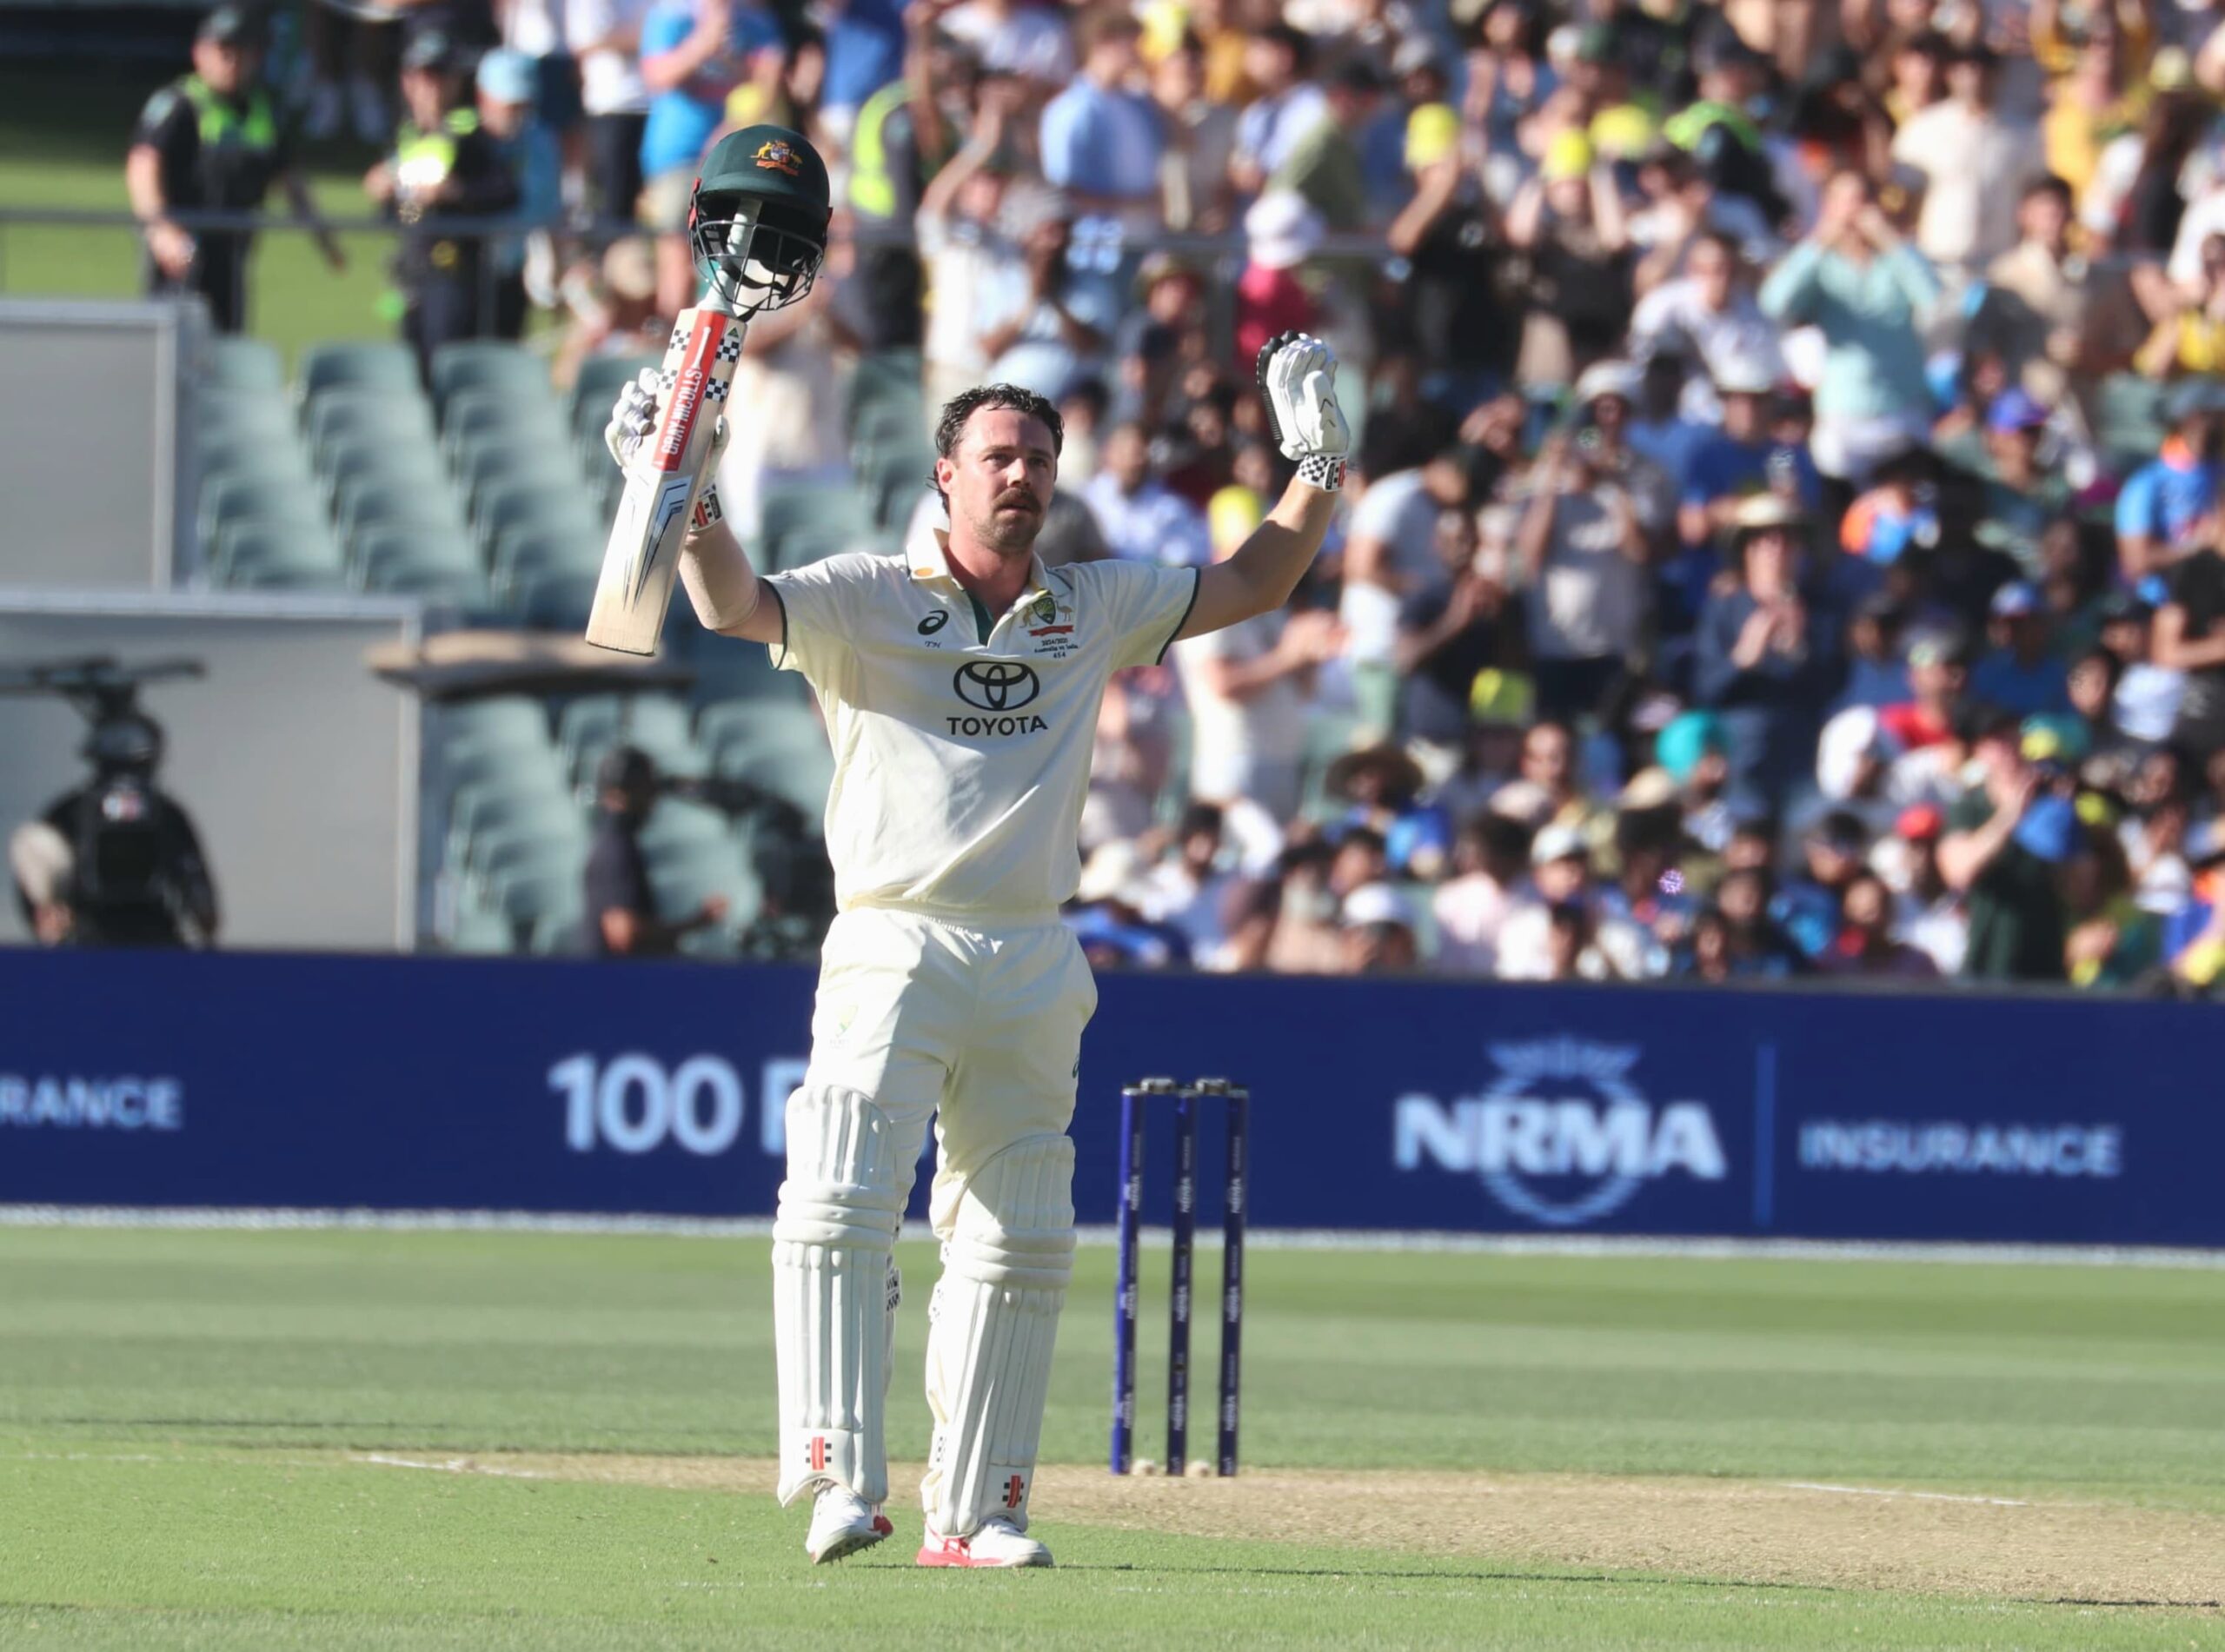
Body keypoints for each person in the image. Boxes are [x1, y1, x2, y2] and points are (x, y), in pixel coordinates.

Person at [604, 127, 1350, 1565]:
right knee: (839, 1200)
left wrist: (1319, 466)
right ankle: (837, 1476)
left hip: (1032, 951)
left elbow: (1257, 581)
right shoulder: (866, 597)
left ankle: (983, 1509)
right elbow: (729, 606)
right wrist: (686, 490)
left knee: (1021, 1237)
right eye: (1000, 457)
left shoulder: (1094, 603)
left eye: (1039, 460)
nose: (1023, 477)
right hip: (894, 937)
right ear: (945, 473)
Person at [126, 4, 343, 334]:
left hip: (232, 255)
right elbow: (143, 165)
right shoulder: (180, 104)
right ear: (200, 53)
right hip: (183, 252)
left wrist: (324, 239)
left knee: (228, 346)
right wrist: (160, 229)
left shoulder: (263, 112)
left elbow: (290, 181)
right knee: (175, 344)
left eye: (242, 52)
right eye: (224, 51)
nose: (232, 62)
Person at [1172, 486, 1339, 821]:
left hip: (1280, 761)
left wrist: (1310, 654)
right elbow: (1222, 683)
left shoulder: (1270, 602)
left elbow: (1300, 686)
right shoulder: (1209, 602)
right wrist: (1290, 656)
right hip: (1234, 763)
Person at [366, 32, 523, 381]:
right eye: (424, 76)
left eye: (441, 76)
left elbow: (505, 191)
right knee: (412, 371)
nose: (432, 88)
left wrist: (455, 191)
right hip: (412, 272)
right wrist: (384, 194)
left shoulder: (471, 135)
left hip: (454, 273)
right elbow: (397, 213)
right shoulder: (405, 136)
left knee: (447, 370)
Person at [10, 712, 218, 950]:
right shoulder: (165, 813)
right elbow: (199, 891)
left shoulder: (71, 811)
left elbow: (197, 888)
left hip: (129, 942)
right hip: (104, 941)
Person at [583, 746, 729, 956]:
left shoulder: (617, 842)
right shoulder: (615, 848)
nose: (652, 799)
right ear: (619, 794)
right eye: (644, 789)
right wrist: (694, 924)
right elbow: (624, 932)